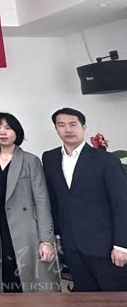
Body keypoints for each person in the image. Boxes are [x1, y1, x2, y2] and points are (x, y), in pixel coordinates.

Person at [42, 107, 127, 292]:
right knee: (84, 298)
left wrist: (122, 245)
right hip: (72, 246)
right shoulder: (49, 158)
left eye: (73, 124)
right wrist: (57, 235)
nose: (68, 129)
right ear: (56, 129)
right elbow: (54, 201)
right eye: (61, 125)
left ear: (84, 127)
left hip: (105, 247)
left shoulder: (105, 159)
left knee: (115, 299)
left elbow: (122, 204)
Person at [0, 112, 60, 293]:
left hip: (27, 230)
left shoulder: (30, 160)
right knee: (6, 276)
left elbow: (42, 201)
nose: (2, 132)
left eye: (8, 128)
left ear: (17, 131)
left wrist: (46, 240)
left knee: (30, 279)